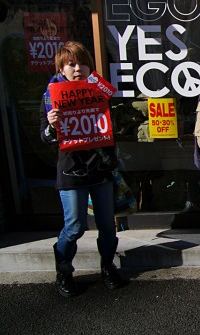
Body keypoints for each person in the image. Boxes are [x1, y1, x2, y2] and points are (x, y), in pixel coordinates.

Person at [40, 40, 125, 297]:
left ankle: (108, 266)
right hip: (70, 170)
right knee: (75, 226)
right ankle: (64, 270)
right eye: (71, 64)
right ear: (62, 68)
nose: (78, 68)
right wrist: (51, 125)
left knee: (107, 225)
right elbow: (44, 136)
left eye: (83, 63)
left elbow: (113, 124)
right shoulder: (52, 94)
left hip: (100, 168)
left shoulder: (99, 90)